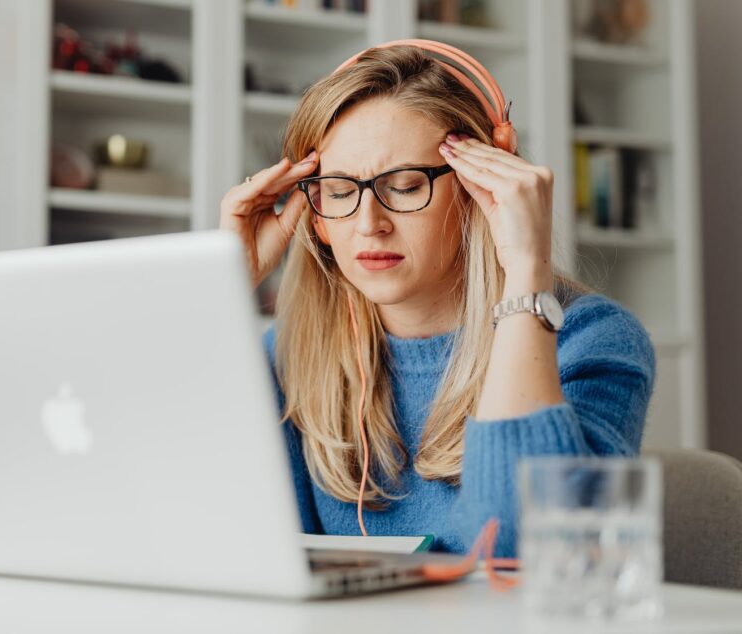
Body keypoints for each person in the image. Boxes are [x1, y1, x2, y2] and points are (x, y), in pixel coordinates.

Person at [218, 43, 655, 557]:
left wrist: (524, 277)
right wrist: (223, 289)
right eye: (338, 192)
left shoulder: (592, 342)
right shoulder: (288, 355)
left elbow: (518, 551)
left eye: (404, 186)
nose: (368, 224)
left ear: (482, 188)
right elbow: (223, 535)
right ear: (314, 213)